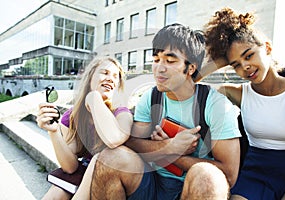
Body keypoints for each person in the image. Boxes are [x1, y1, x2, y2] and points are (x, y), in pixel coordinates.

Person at [86, 23, 241, 200]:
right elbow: (131, 142)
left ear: (191, 67)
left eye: (170, 60)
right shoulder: (150, 98)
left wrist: (172, 155)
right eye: (156, 59)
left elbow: (229, 175)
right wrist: (168, 147)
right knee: (111, 157)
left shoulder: (216, 105)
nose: (159, 68)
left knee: (207, 176)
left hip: (191, 189)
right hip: (152, 184)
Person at [201, 7, 285, 200]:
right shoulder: (236, 93)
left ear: (268, 48)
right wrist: (220, 60)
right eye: (236, 64)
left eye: (249, 55)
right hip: (255, 175)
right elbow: (188, 82)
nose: (245, 66)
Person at [37, 56, 133, 200]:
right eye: (105, 73)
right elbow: (70, 167)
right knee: (55, 194)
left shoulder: (122, 113)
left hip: (114, 177)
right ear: (90, 77)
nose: (110, 78)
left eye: (115, 76)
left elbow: (113, 140)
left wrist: (94, 98)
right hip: (85, 171)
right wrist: (54, 131)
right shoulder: (72, 116)